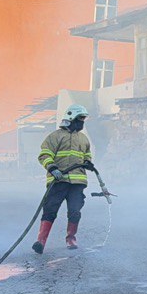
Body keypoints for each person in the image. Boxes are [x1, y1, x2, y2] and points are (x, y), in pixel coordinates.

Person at [34, 104, 94, 254]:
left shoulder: (83, 139)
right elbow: (44, 155)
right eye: (80, 119)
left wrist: (88, 162)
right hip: (58, 181)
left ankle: (71, 238)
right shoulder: (55, 136)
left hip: (77, 183)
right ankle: (41, 241)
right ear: (70, 118)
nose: (82, 122)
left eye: (83, 119)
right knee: (50, 210)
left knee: (75, 212)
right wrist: (52, 168)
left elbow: (87, 155)